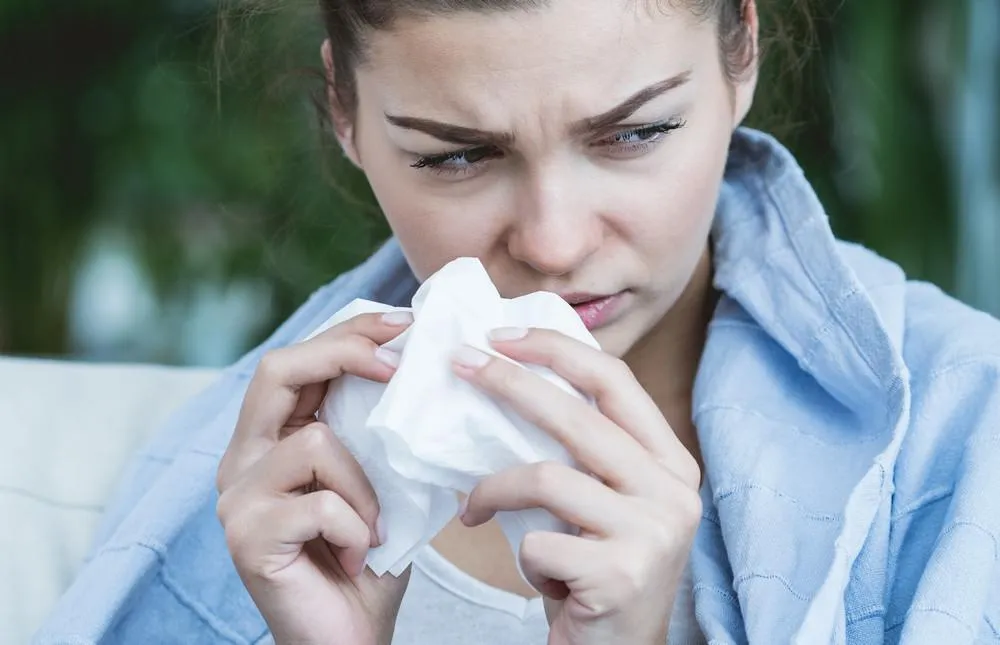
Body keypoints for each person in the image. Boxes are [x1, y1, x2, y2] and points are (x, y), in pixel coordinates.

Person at [33, 1, 1000, 643]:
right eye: (457, 158)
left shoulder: (965, 446)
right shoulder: (233, 500)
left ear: (738, 50)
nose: (552, 241)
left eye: (632, 135)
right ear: (345, 110)